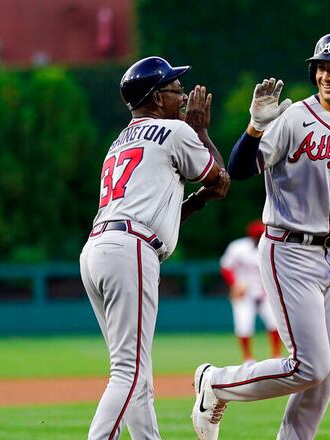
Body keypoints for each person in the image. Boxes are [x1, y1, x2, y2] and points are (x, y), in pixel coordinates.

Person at [191, 33, 330, 440]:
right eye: (320, 66)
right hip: (289, 251)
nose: (325, 74)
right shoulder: (293, 118)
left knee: (329, 370)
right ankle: (215, 383)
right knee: (310, 365)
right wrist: (253, 128)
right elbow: (241, 169)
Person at [80, 56, 230, 440]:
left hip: (98, 249)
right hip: (131, 249)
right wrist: (200, 131)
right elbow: (221, 181)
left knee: (136, 374)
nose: (182, 96)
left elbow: (165, 205)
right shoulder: (175, 132)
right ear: (156, 97)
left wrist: (194, 202)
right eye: (175, 89)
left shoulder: (118, 142)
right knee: (128, 372)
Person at [220, 219, 282, 364]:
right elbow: (225, 266)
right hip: (244, 292)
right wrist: (234, 284)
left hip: (265, 292)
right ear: (251, 236)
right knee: (243, 326)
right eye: (258, 235)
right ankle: (248, 359)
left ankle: (276, 355)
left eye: (262, 234)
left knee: (275, 323)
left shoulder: (271, 247)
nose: (260, 237)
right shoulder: (238, 247)